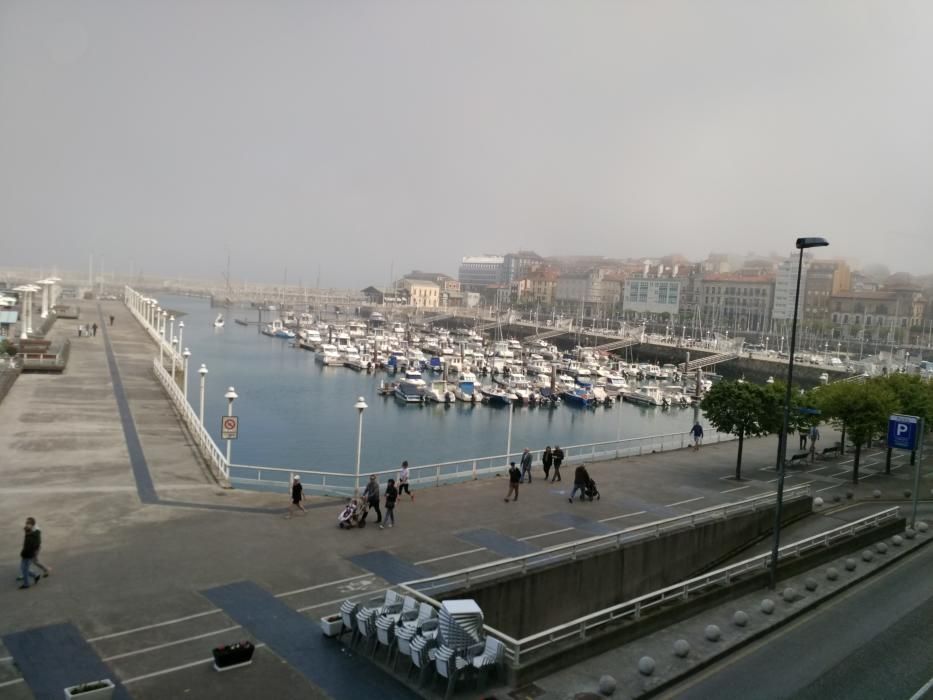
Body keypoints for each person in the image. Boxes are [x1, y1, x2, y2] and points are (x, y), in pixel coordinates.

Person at [18, 517, 41, 589]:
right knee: (23, 568)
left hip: (28, 555)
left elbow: (35, 545)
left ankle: (26, 584)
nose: (26, 524)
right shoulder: (28, 532)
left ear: (32, 525)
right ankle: (35, 575)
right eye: (26, 523)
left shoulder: (34, 534)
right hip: (25, 554)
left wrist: (32, 553)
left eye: (28, 523)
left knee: (24, 569)